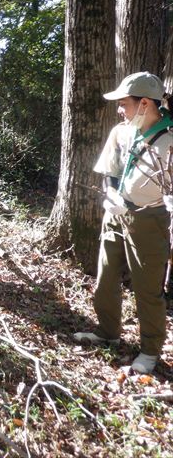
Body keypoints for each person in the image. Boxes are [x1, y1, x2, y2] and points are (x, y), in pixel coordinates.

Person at [73, 72, 173, 374]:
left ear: (145, 103)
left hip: (151, 219)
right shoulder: (122, 131)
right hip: (116, 214)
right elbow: (111, 170)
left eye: (124, 103)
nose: (119, 109)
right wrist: (110, 195)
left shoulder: (169, 140)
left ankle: (150, 350)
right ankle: (108, 332)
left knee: (147, 288)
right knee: (105, 276)